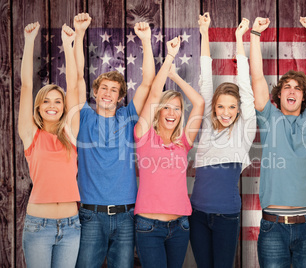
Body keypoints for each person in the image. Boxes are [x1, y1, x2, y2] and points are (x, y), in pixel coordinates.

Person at [73, 13, 156, 267]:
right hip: (91, 215)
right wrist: (79, 33)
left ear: (121, 97)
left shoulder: (128, 117)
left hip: (125, 216)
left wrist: (145, 40)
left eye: (114, 90)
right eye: (103, 88)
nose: (108, 93)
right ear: (95, 92)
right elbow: (77, 78)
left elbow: (148, 83)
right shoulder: (84, 117)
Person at [250, 16, 306, 267]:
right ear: (279, 94)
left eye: (298, 88)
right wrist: (255, 34)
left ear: (304, 96)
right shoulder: (269, 117)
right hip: (273, 228)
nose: (292, 91)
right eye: (287, 87)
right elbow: (257, 78)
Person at [189, 13, 256, 268]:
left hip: (226, 216)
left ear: (239, 109)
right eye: (220, 106)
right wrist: (204, 32)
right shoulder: (206, 125)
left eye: (232, 107)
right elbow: (206, 78)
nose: (226, 112)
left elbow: (245, 86)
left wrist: (240, 38)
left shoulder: (244, 131)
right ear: (214, 108)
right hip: (197, 215)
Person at [133, 37, 204, 268]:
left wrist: (176, 77)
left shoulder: (183, 142)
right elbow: (154, 94)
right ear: (158, 112)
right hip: (148, 227)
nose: (172, 113)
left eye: (177, 108)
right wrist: (170, 57)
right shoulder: (144, 136)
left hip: (180, 227)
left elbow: (200, 103)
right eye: (167, 107)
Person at [19, 22, 80, 267]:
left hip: (71, 226)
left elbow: (73, 86)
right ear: (39, 108)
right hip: (38, 226)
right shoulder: (30, 134)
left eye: (57, 101)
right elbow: (25, 86)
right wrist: (29, 40)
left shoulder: (71, 133)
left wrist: (68, 44)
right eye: (46, 101)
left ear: (64, 107)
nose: (52, 105)